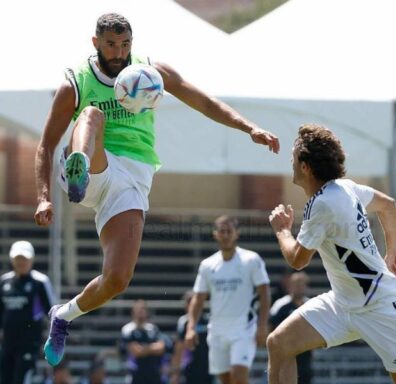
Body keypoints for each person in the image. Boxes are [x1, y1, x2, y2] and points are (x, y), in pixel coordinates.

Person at [34, 12, 279, 366]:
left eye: (125, 45)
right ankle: (80, 169)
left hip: (133, 179)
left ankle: (63, 316)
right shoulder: (75, 82)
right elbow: (45, 144)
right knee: (90, 116)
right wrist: (43, 197)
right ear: (95, 44)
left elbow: (203, 101)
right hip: (93, 164)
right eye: (110, 45)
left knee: (118, 279)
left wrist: (248, 127)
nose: (118, 53)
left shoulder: (150, 73)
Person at [267, 124, 396, 384]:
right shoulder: (345, 188)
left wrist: (282, 230)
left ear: (306, 167)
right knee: (279, 344)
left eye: (294, 157)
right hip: (342, 304)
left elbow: (297, 260)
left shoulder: (322, 204)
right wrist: (392, 252)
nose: (291, 161)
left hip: (382, 307)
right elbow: (387, 206)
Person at [185, 215, 271, 384]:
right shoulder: (207, 265)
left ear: (237, 233)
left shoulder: (251, 259)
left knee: (238, 377)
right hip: (216, 330)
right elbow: (198, 298)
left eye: (229, 231)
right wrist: (191, 327)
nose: (225, 235)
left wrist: (262, 325)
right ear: (215, 234)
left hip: (243, 329)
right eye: (221, 231)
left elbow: (264, 292)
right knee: (226, 380)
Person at [0, 240, 56, 384]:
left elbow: (53, 312)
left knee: (22, 380)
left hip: (29, 345)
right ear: (12, 259)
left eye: (24, 258)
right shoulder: (4, 282)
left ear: (31, 259)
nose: (21, 262)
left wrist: (53, 339)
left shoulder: (40, 282)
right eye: (18, 258)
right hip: (7, 345)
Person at [269, 272, 312, 384]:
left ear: (305, 286)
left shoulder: (311, 304)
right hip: (285, 354)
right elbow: (271, 326)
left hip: (305, 355)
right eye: (295, 284)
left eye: (301, 284)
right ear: (290, 285)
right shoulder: (280, 304)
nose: (298, 287)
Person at [120, 299, 173, 384]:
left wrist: (144, 349)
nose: (141, 311)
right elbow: (136, 351)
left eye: (143, 308)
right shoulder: (127, 329)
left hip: (154, 373)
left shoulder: (153, 328)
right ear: (133, 311)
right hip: (136, 374)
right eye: (138, 308)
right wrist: (152, 348)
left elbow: (161, 347)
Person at [170, 290, 213, 384]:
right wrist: (175, 373)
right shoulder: (184, 322)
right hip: (190, 368)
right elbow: (179, 348)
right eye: (188, 302)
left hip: (208, 367)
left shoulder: (209, 320)